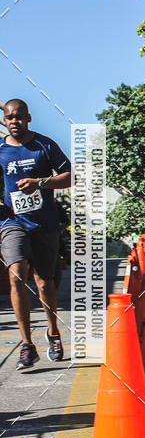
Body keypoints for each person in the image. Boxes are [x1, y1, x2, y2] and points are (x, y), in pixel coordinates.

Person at [0, 99, 72, 369]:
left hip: (44, 223)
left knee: (44, 283)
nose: (14, 121)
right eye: (9, 117)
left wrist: (40, 183)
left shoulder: (44, 145)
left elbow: (70, 175)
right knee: (16, 274)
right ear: (4, 121)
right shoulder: (0, 149)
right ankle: (27, 344)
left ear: (28, 118)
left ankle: (53, 332)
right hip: (12, 222)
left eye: (19, 116)